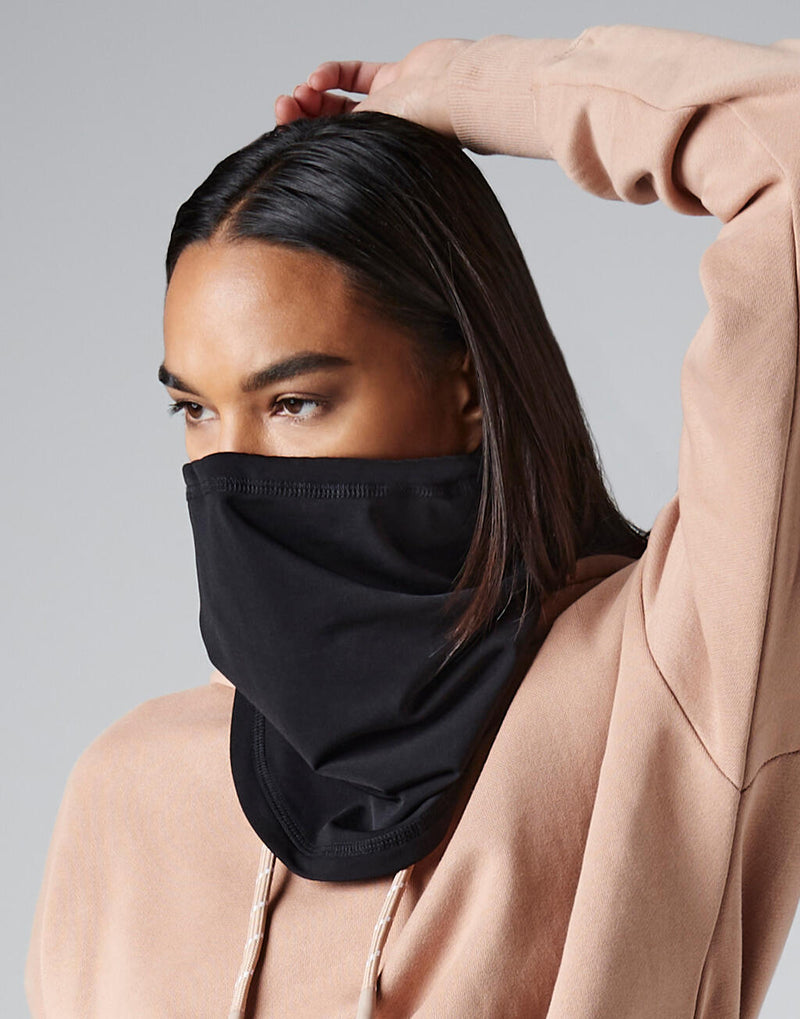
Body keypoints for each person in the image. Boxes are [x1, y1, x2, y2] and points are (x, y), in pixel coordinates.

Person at [25, 23, 800, 1019]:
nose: (232, 471)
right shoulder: (129, 791)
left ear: (466, 388)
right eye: (196, 410)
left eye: (295, 402)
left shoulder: (661, 683)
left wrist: (469, 90)